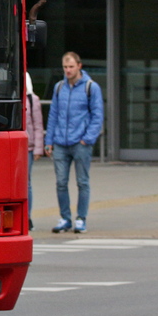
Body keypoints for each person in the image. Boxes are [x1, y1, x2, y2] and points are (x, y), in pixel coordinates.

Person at [45, 52, 104, 233]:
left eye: (71, 66)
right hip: (61, 143)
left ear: (79, 66)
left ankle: (81, 218)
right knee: (61, 182)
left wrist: (87, 139)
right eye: (65, 67)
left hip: (80, 143)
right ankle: (65, 218)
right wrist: (49, 141)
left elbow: (97, 115)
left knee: (82, 182)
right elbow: (53, 114)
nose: (68, 70)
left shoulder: (90, 87)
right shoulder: (59, 87)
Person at [24, 72, 45, 230]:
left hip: (29, 148)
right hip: (17, 146)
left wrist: (39, 148)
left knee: (27, 183)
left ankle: (28, 217)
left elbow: (38, 126)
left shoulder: (33, 100)